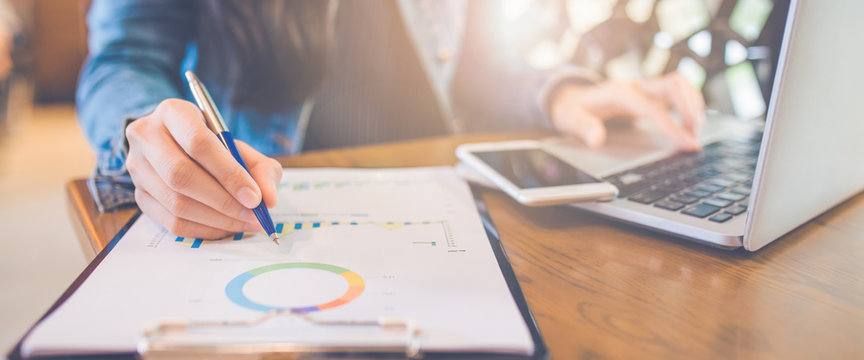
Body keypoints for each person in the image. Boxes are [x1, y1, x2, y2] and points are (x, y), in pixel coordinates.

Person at [78, 0, 705, 239]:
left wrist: (559, 94)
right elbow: (122, 60)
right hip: (273, 188)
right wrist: (145, 128)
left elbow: (482, 65)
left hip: (441, 196)